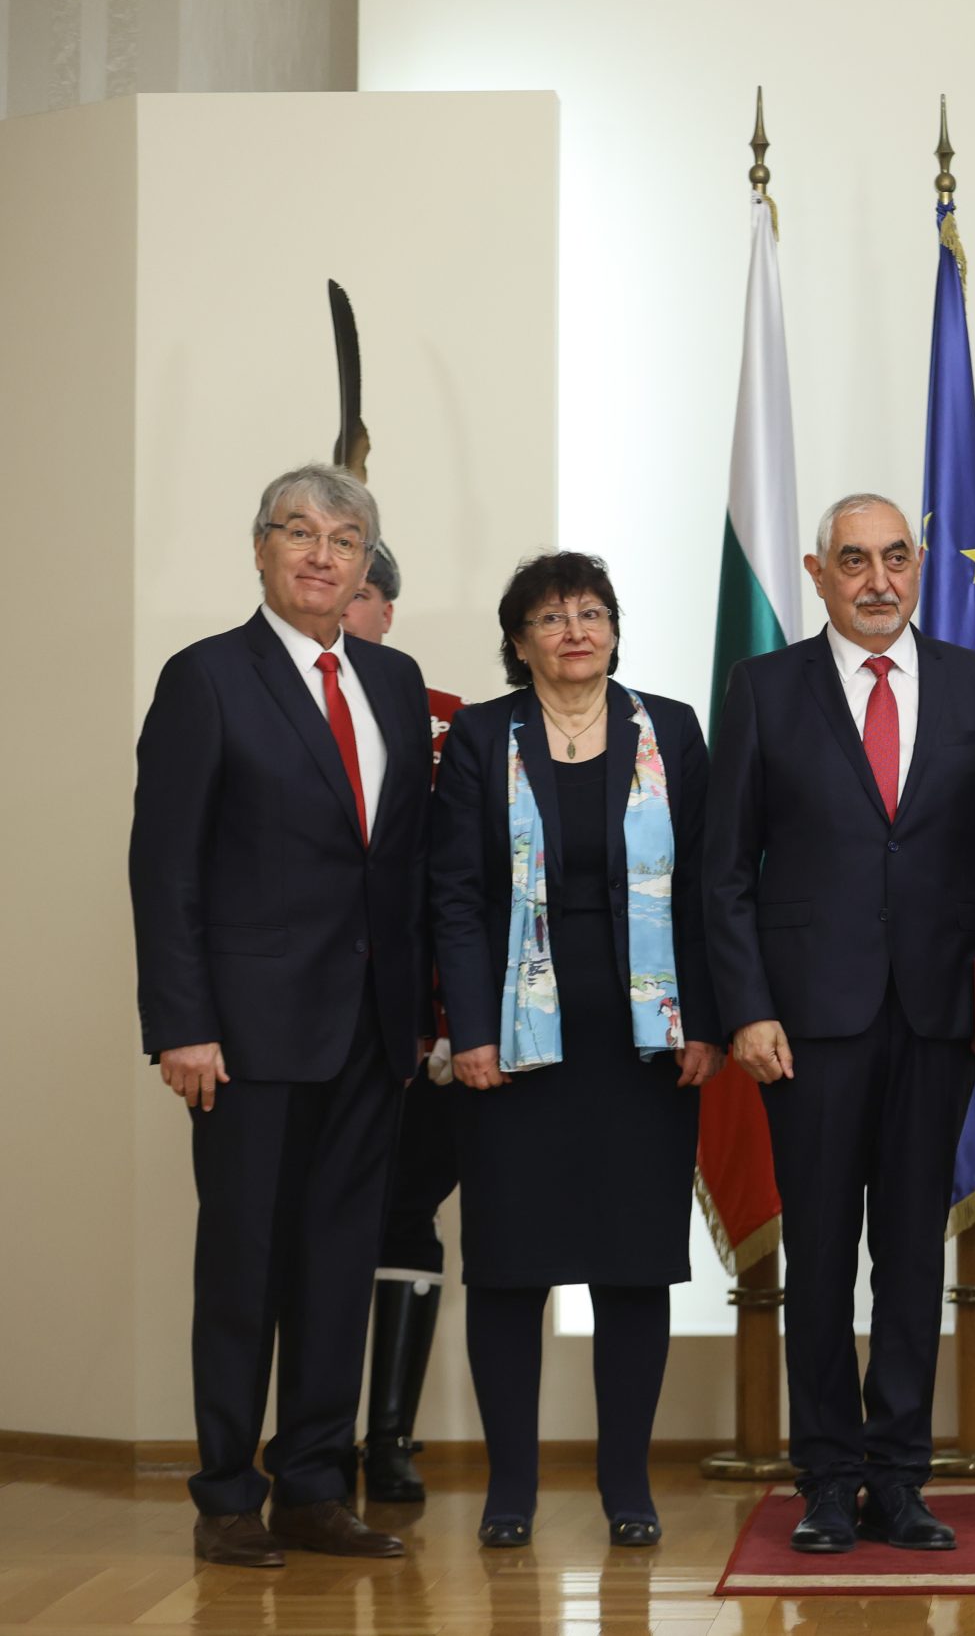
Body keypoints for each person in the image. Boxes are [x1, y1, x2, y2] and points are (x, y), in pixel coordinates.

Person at [706, 494, 975, 1555]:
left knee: (908, 1256)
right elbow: (724, 872)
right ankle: (826, 1479)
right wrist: (748, 1007)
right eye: (855, 560)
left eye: (896, 558)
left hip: (936, 1018)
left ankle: (898, 1479)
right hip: (807, 1025)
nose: (878, 580)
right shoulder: (765, 690)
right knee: (819, 1256)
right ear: (818, 573)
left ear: (921, 565)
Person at [130, 465, 431, 1568]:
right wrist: (181, 1023)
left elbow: (400, 861)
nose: (321, 553)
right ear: (260, 548)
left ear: (363, 566)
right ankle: (226, 1495)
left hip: (371, 1031)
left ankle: (312, 1485)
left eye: (344, 539)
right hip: (245, 1034)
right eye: (298, 532)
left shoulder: (393, 680)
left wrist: (421, 1012)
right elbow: (164, 866)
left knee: (339, 1264)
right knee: (244, 1266)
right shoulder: (206, 677)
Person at [430, 552, 721, 1549]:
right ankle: (510, 1487)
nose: (576, 631)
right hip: (515, 1048)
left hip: (644, 1047)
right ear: (519, 643)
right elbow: (454, 894)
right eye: (552, 618)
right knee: (510, 1269)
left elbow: (705, 886)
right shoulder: (482, 737)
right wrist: (471, 1029)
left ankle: (626, 1485)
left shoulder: (670, 729)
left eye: (593, 613)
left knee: (633, 1266)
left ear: (615, 630)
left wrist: (703, 1019)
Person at [340, 540, 468, 1504]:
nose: (345, 610)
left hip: (426, 1035)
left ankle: (388, 1439)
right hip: (314, 1027)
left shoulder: (450, 724)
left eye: (362, 595)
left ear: (386, 611)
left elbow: (472, 884)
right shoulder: (266, 699)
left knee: (405, 1215)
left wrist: (453, 1018)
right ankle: (310, 1441)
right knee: (311, 1222)